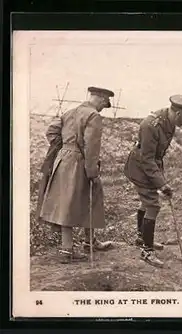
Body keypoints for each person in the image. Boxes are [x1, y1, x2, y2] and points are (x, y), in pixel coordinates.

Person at [38, 86, 115, 263]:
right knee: (91, 196)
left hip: (62, 160)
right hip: (79, 162)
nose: (103, 107)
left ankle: (78, 245)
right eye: (104, 104)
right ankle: (78, 246)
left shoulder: (70, 112)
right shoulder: (93, 115)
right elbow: (92, 147)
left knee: (66, 202)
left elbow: (51, 130)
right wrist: (92, 172)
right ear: (102, 100)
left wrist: (65, 146)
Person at [124, 94, 182, 268]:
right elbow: (147, 158)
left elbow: (159, 155)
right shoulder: (151, 125)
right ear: (178, 113)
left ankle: (142, 239)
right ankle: (147, 252)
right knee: (153, 206)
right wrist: (161, 184)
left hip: (150, 165)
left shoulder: (170, 122)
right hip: (140, 167)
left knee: (146, 204)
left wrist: (161, 180)